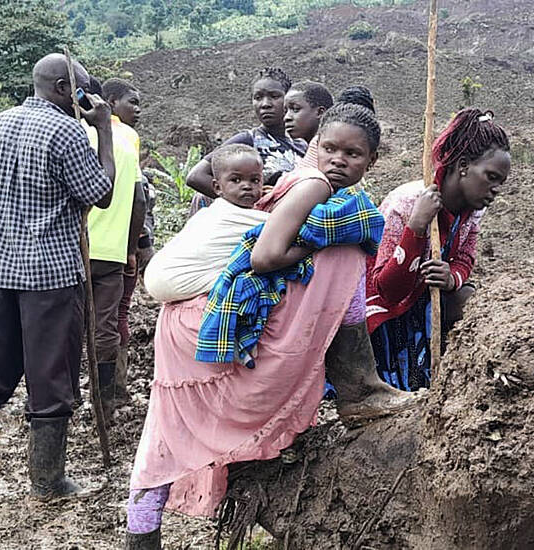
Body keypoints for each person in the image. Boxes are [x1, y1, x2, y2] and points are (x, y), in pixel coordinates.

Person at [125, 103, 412, 549]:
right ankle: (359, 385)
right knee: (348, 248)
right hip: (197, 326)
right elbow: (265, 257)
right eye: (330, 148)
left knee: (166, 439)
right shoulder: (314, 185)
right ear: (316, 146)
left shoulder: (312, 185)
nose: (339, 160)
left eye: (353, 154)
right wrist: (313, 251)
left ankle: (141, 537)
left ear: (372, 160)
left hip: (190, 319)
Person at [0, 53, 116, 501]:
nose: (86, 101)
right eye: (82, 91)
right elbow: (103, 192)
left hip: (1, 267)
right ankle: (48, 481)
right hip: (51, 276)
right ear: (63, 90)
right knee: (51, 374)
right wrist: (105, 130)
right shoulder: (67, 131)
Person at [366, 108, 511, 391]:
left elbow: (466, 257)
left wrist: (451, 277)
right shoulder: (407, 204)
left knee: (468, 298)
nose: (496, 190)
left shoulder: (472, 212)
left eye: (500, 183)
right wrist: (416, 228)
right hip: (385, 311)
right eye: (491, 177)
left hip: (423, 301)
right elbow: (386, 289)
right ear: (464, 165)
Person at [84, 77, 146, 415]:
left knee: (67, 325)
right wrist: (131, 248)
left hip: (71, 249)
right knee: (105, 324)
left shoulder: (72, 134)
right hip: (110, 250)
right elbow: (138, 197)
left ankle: (69, 397)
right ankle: (105, 401)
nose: (137, 110)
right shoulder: (125, 139)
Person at [144, 144, 269, 303]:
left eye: (255, 180)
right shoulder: (240, 216)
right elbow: (290, 226)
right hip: (181, 289)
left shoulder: (207, 213)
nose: (246, 186)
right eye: (236, 180)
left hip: (162, 283)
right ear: (217, 187)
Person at [185, 67, 307, 215]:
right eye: (258, 97)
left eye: (274, 96)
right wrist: (252, 205)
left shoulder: (301, 145)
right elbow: (196, 176)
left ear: (289, 100)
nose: (265, 104)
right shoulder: (248, 140)